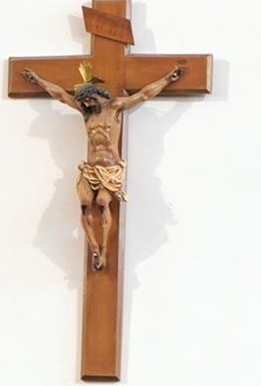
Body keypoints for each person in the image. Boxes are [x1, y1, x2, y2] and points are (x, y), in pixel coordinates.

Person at [20, 62, 185, 271]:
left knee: (101, 203)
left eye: (88, 100)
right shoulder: (85, 111)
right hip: (89, 169)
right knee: (84, 203)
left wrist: (168, 79)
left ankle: (105, 249)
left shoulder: (115, 107)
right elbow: (60, 95)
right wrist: (39, 80)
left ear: (94, 95)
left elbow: (144, 95)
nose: (86, 105)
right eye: (83, 103)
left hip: (109, 170)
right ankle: (94, 247)